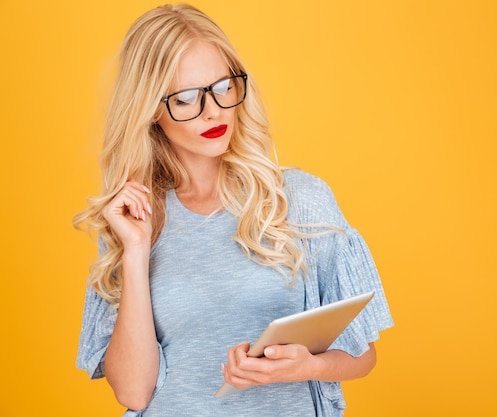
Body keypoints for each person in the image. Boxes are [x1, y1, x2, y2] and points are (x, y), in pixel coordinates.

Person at [74, 4, 393, 416]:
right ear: (151, 109)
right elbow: (134, 394)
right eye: (186, 98)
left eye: (223, 86)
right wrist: (135, 252)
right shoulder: (134, 218)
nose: (213, 110)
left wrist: (307, 366)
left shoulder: (301, 200)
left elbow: (362, 354)